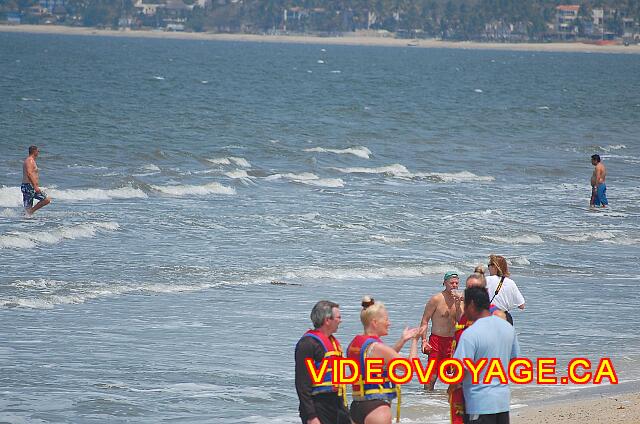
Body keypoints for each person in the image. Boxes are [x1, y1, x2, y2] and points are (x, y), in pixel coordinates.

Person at [452, 287, 520, 424]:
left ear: (471, 305)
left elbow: (459, 369)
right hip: (502, 401)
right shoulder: (508, 328)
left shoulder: (471, 334)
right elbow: (514, 360)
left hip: (479, 402)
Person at [347, 296, 420, 424]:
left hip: (356, 406)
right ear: (375, 322)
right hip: (376, 408)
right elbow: (409, 369)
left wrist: (402, 340)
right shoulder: (378, 347)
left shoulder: (355, 344)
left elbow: (382, 359)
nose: (389, 323)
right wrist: (415, 340)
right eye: (386, 319)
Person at [295, 300, 350, 424]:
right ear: (327, 320)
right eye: (338, 317)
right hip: (318, 406)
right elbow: (302, 383)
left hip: (336, 404)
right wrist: (311, 416)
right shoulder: (308, 344)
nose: (341, 321)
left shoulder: (332, 342)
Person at [418, 271, 463, 391]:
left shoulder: (460, 300)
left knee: (455, 375)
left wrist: (458, 305)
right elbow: (425, 320)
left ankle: (447, 401)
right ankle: (427, 400)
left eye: (456, 283)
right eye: (451, 283)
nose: (454, 285)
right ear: (444, 283)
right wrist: (423, 340)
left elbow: (461, 320)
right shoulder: (436, 299)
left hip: (452, 342)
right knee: (432, 375)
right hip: (436, 341)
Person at [485, 255, 524, 325]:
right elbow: (521, 305)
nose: (488, 268)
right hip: (505, 318)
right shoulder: (511, 283)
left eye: (489, 265)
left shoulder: (486, 280)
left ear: (495, 267)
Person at [21, 145, 51, 215]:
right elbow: (29, 174)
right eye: (38, 151)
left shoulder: (30, 160)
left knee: (27, 208)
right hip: (29, 186)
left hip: (27, 186)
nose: (38, 152)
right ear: (34, 151)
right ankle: (30, 212)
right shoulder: (30, 160)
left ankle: (25, 218)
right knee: (46, 199)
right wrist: (35, 186)